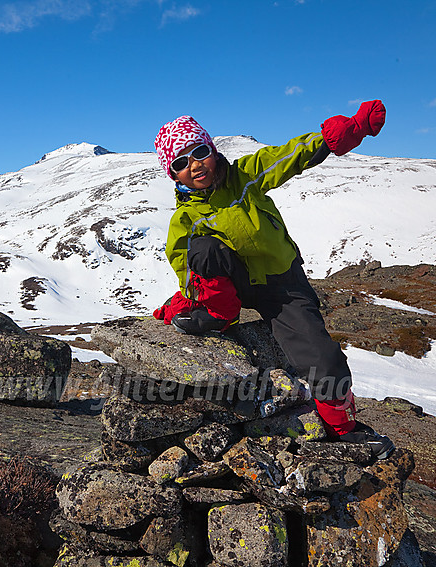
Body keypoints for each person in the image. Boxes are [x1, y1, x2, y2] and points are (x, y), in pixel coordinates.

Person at [152, 101, 395, 459]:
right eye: (181, 163)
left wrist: (337, 137)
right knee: (201, 249)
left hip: (282, 283)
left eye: (199, 152)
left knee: (323, 356)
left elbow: (287, 157)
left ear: (213, 150)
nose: (194, 165)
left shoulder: (244, 176)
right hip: (237, 285)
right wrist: (195, 295)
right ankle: (222, 313)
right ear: (174, 175)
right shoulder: (187, 217)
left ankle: (342, 427)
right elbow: (185, 266)